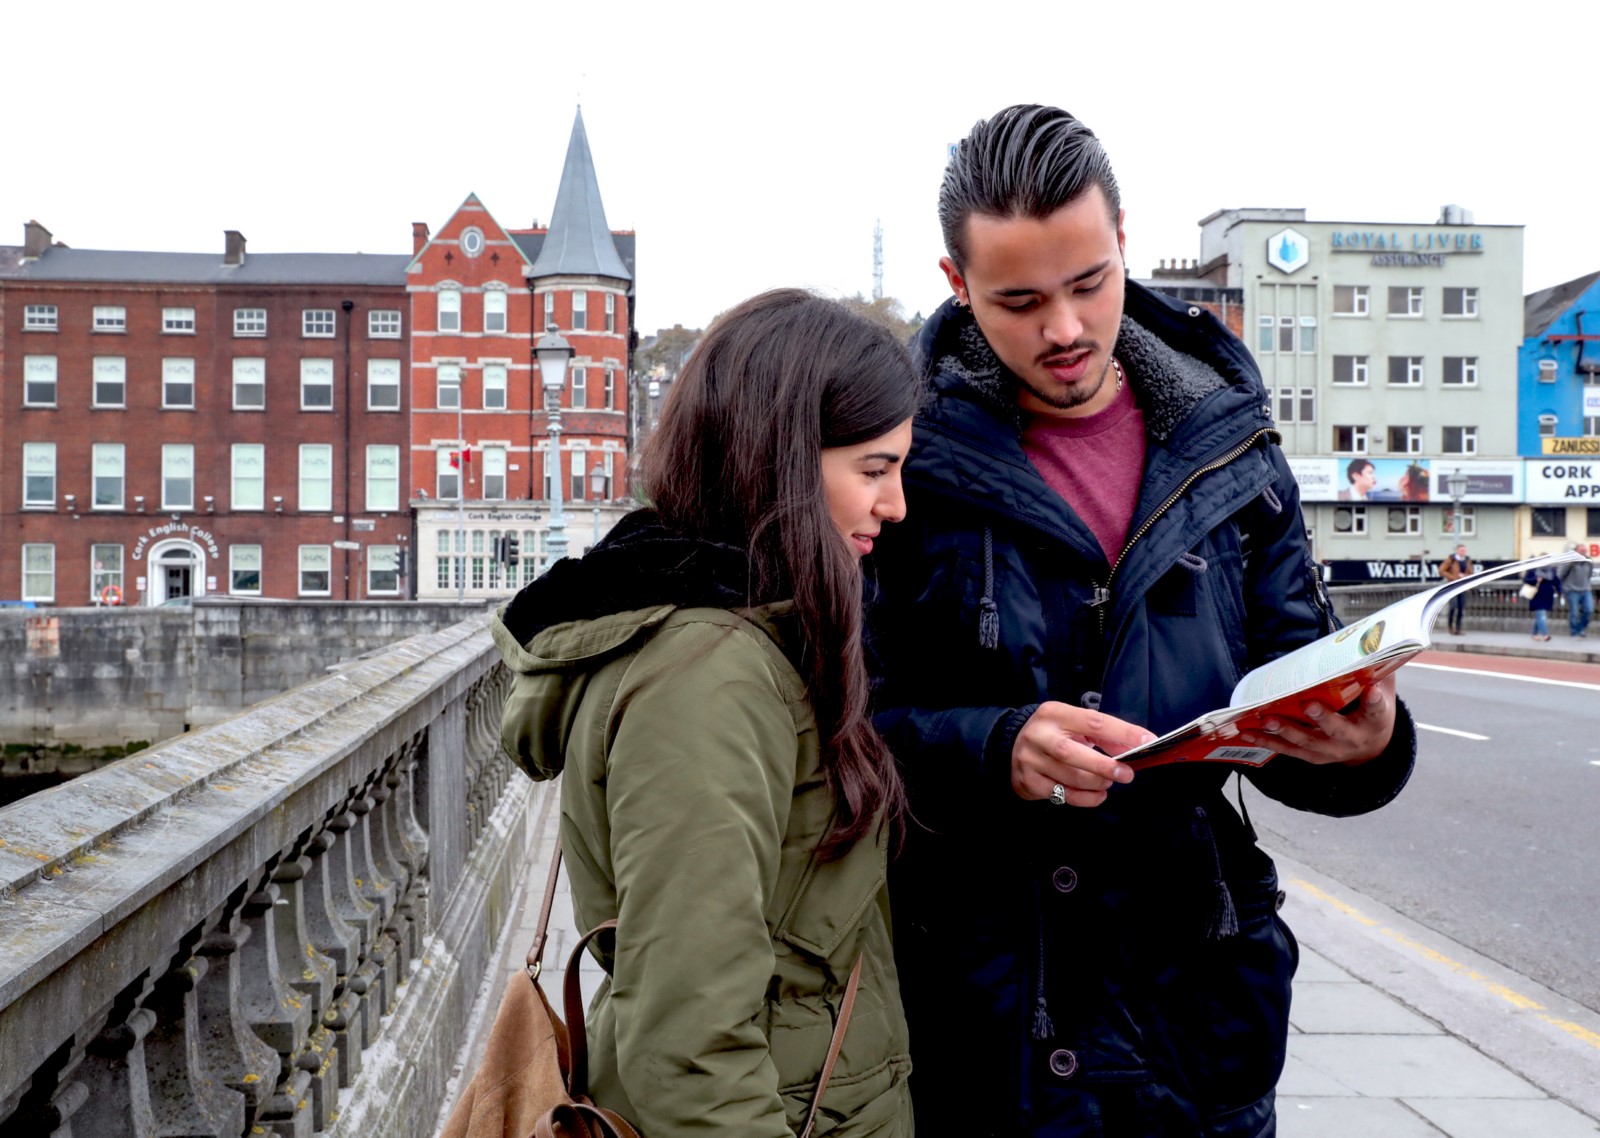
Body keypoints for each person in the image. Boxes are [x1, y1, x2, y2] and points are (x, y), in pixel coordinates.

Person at [868, 105, 1417, 1137]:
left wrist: (1364, 745)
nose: (1064, 330)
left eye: (1088, 284)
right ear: (957, 285)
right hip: (984, 1030)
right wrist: (996, 748)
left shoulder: (1230, 439)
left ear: (1124, 239)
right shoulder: (898, 452)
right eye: (1020, 301)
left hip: (1190, 1024)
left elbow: (1296, 694)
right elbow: (839, 732)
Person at [493, 289, 918, 1135]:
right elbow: (690, 1045)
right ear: (783, 463)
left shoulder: (751, 635)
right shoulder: (709, 681)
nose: (894, 504)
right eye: (872, 470)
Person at [1558, 541, 1593, 638]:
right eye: (1581, 551)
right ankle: (1574, 632)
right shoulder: (1569, 561)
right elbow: (1560, 574)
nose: (1584, 553)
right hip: (1571, 590)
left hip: (1585, 589)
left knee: (1589, 610)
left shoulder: (1588, 562)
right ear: (1576, 551)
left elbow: (1589, 575)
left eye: (1585, 551)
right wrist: (1570, 562)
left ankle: (1581, 628)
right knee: (1574, 612)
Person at [1438, 543, 1475, 635]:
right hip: (1453, 586)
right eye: (1462, 550)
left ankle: (1458, 628)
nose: (1463, 552)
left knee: (1461, 608)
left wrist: (1464, 576)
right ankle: (1450, 627)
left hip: (1462, 586)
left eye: (1464, 550)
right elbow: (1441, 571)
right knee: (1453, 606)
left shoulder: (1467, 560)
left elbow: (1471, 573)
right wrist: (1454, 577)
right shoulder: (1451, 559)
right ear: (1457, 551)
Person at [1524, 565, 1559, 641]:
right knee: (1541, 615)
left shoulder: (1551, 571)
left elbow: (1557, 582)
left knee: (1539, 617)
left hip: (1547, 597)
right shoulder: (1533, 570)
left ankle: (1534, 634)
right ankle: (1545, 634)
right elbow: (1526, 580)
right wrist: (1536, 579)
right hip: (1537, 596)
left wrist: (1560, 592)